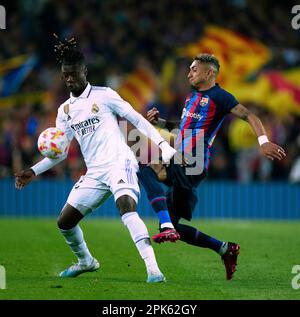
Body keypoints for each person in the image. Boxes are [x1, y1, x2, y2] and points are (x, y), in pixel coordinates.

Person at [14, 36, 179, 283]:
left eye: (74, 73)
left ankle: (153, 270)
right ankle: (86, 261)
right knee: (65, 222)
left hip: (119, 162)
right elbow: (59, 152)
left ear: (85, 72)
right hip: (94, 172)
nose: (69, 78)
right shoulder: (64, 112)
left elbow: (136, 118)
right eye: (65, 74)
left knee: (126, 207)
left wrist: (163, 145)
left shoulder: (104, 96)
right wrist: (33, 171)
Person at [138, 53, 286, 280]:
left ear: (210, 73)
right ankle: (225, 248)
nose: (188, 73)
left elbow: (249, 115)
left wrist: (263, 142)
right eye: (189, 69)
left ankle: (167, 224)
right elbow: (185, 126)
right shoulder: (191, 97)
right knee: (173, 227)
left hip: (194, 159)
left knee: (147, 167)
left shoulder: (220, 96)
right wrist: (160, 123)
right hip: (183, 158)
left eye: (194, 69)